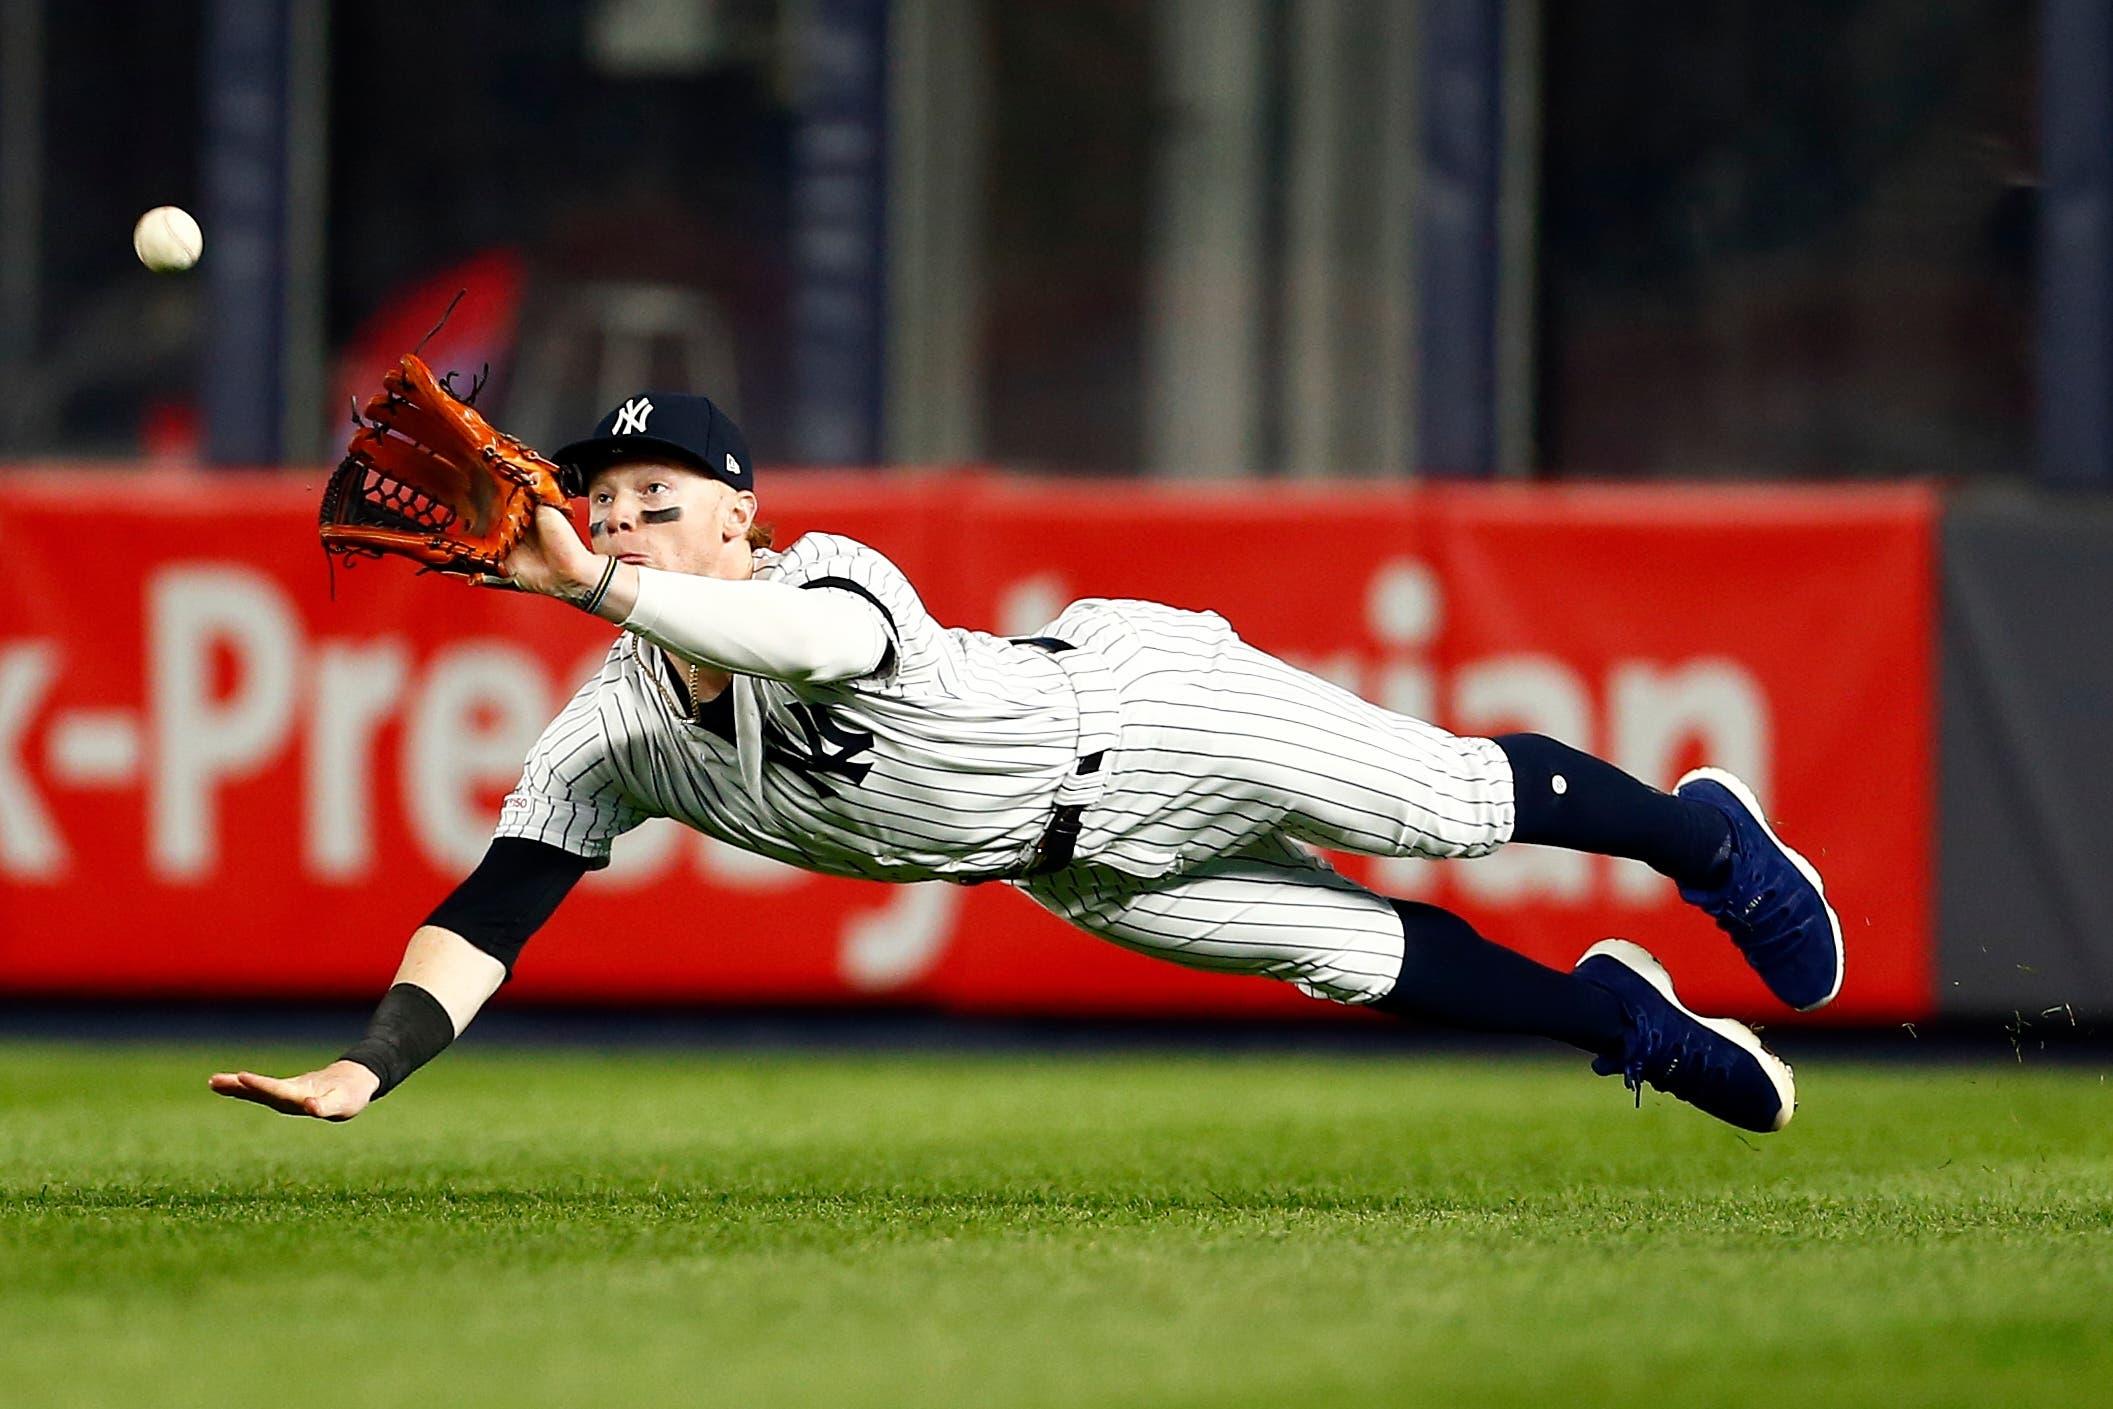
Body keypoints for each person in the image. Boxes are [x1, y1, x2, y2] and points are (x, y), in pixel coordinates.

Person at [211, 393, 1842, 1135]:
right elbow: (496, 903)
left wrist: (599, 581)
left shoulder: (825, 577)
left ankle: (1700, 840)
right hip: (1064, 862)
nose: (623, 513)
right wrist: (372, 1064)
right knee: (1354, 959)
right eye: (602, 493)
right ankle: (1625, 1018)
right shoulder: (614, 726)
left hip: (1143, 711)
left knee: (1443, 806)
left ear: (740, 518)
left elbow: (816, 657)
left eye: (659, 494)